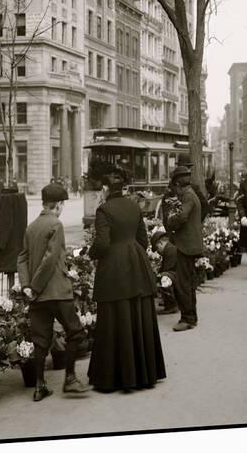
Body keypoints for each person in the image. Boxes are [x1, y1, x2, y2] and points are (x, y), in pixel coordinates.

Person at [87, 166, 166, 392]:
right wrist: (131, 254)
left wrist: (91, 254)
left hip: (114, 270)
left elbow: (102, 243)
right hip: (136, 265)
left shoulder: (103, 210)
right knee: (138, 315)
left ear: (104, 188)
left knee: (115, 318)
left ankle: (117, 377)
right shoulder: (133, 206)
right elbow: (143, 240)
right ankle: (145, 373)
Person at [17, 183, 89, 401]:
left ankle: (39, 386)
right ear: (58, 205)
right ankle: (70, 379)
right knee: (76, 332)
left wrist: (27, 287)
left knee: (40, 341)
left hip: (36, 297)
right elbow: (49, 260)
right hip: (57, 291)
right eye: (62, 204)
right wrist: (37, 286)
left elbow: (22, 258)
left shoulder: (31, 227)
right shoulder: (55, 225)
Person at [167, 166, 203, 332]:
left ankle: (187, 318)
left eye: (174, 186)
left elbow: (182, 217)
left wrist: (170, 219)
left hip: (186, 246)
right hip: (189, 245)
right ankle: (191, 317)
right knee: (188, 283)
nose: (174, 190)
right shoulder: (189, 195)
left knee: (182, 284)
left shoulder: (188, 195)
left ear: (178, 183)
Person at [177, 153, 211, 221]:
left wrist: (195, 222)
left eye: (186, 168)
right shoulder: (173, 187)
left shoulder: (193, 188)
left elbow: (205, 207)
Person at [151, 230, 178, 315]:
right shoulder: (170, 249)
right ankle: (169, 302)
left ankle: (172, 305)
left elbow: (167, 270)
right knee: (161, 276)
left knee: (163, 277)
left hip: (178, 278)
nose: (157, 252)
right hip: (179, 278)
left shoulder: (170, 251)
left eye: (157, 248)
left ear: (161, 243)